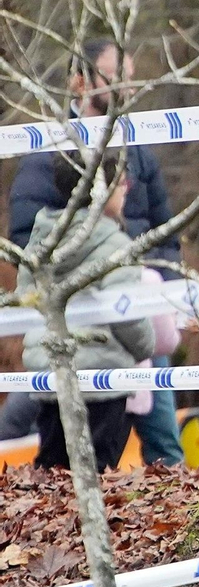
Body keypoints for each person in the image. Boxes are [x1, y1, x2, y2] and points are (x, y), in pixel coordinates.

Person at [2, 39, 185, 465]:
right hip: (70, 326)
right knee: (49, 437)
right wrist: (84, 275)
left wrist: (166, 300)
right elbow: (28, 242)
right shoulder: (47, 152)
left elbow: (166, 234)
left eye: (132, 76)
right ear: (79, 81)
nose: (128, 86)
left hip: (136, 319)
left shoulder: (139, 148)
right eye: (115, 75)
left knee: (162, 444)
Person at [20, 163, 156, 471]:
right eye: (121, 184)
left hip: (50, 375)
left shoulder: (39, 240)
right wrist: (146, 346)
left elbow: (27, 304)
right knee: (99, 474)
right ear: (101, 192)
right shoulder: (116, 245)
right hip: (102, 381)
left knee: (51, 475)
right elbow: (126, 314)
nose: (127, 191)